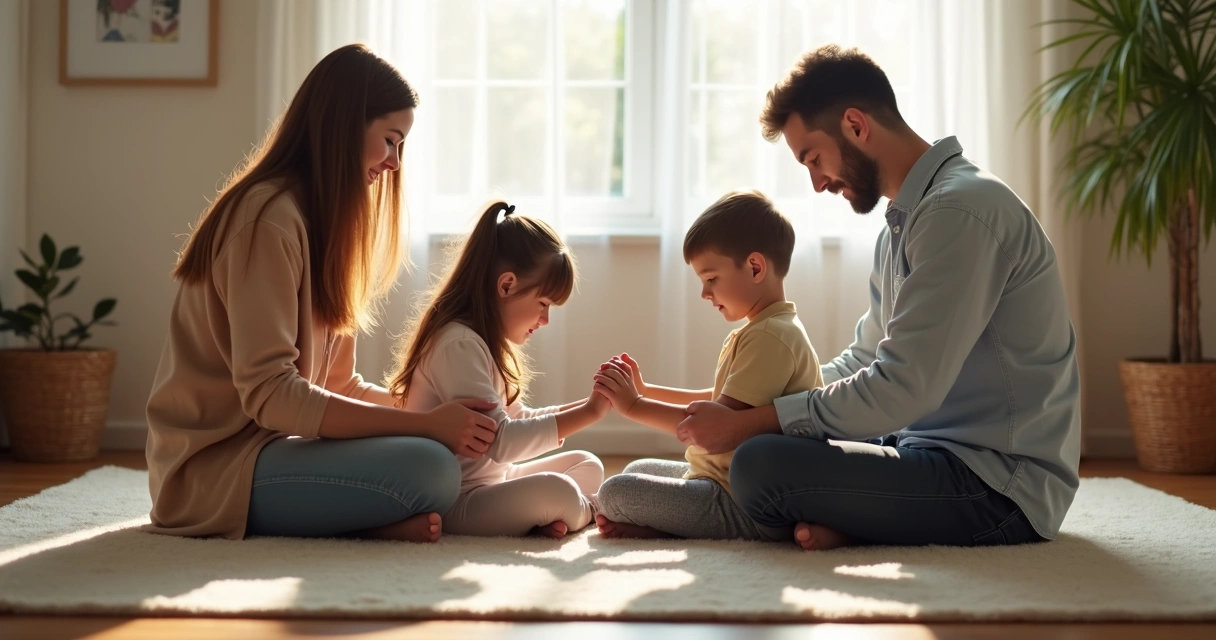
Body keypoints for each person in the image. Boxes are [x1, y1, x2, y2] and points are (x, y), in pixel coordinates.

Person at [676, 44, 1082, 551]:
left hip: (996, 486)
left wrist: (754, 422)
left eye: (814, 158)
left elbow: (902, 387)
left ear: (855, 125)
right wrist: (758, 401)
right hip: (920, 447)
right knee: (768, 442)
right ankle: (853, 524)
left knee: (758, 464)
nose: (818, 182)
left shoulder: (959, 212)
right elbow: (867, 357)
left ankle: (850, 520)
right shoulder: (903, 226)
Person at [145, 45, 498, 542]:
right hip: (216, 471)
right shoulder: (267, 220)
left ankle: (367, 523)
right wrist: (426, 427)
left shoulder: (323, 226)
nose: (395, 163)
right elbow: (271, 395)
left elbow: (340, 385)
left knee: (440, 459)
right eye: (390, 141)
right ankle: (366, 526)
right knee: (433, 470)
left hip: (272, 451)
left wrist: (434, 412)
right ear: (345, 125)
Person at [593, 190, 821, 540]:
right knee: (637, 469)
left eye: (711, 279)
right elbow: (717, 401)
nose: (704, 293)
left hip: (740, 500)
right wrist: (648, 391)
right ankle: (670, 524)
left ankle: (685, 527)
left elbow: (711, 427)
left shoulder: (771, 338)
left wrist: (633, 406)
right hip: (714, 478)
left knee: (615, 493)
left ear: (756, 267)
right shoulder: (762, 330)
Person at [389, 202, 607, 539]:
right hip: (457, 500)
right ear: (506, 286)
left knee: (587, 463)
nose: (545, 320)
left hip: (494, 481)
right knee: (558, 491)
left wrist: (591, 405)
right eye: (544, 304)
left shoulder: (483, 342)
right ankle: (589, 511)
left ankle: (555, 516)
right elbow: (502, 442)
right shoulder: (457, 344)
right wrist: (591, 413)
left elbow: (517, 419)